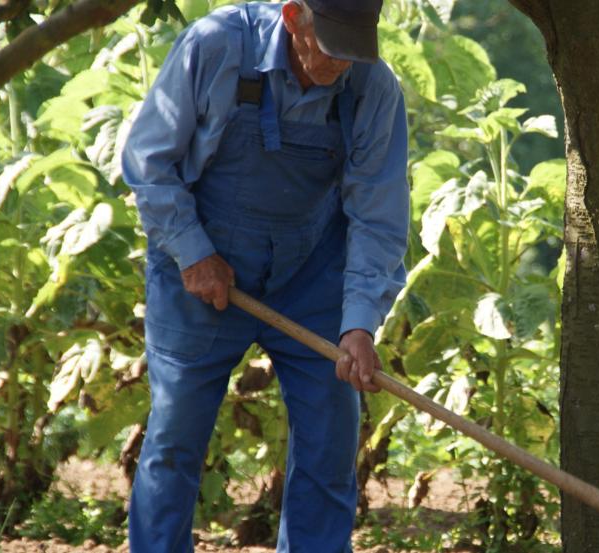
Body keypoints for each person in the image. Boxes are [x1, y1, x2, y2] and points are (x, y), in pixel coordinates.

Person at [118, 0, 408, 550]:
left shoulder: (373, 89)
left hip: (312, 276)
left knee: (330, 440)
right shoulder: (217, 46)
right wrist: (193, 252)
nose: (342, 63)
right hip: (200, 269)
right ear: (294, 16)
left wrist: (359, 326)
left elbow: (378, 217)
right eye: (331, 45)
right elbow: (149, 161)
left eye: (355, 49)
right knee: (176, 437)